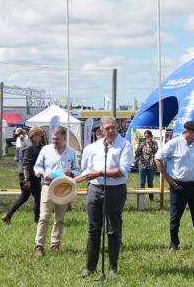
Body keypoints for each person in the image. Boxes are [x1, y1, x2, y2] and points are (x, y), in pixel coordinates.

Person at [76, 116, 133, 277]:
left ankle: (113, 268)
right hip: (94, 189)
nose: (111, 131)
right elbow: (86, 169)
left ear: (117, 128)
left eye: (113, 127)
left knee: (113, 230)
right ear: (101, 130)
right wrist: (76, 179)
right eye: (107, 128)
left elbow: (122, 171)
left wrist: (100, 172)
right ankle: (89, 268)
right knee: (93, 229)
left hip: (115, 191)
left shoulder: (125, 145)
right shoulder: (92, 147)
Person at [155, 120, 194, 253]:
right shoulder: (174, 143)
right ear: (188, 131)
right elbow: (158, 158)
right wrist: (167, 177)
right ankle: (174, 244)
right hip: (178, 186)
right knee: (175, 217)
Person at [33, 127, 80, 256]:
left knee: (59, 218)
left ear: (64, 139)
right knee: (44, 217)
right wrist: (44, 173)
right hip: (48, 186)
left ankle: (55, 244)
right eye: (53, 139)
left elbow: (78, 170)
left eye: (57, 139)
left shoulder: (71, 153)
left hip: (64, 188)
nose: (54, 141)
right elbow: (37, 167)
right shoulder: (45, 150)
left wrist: (71, 172)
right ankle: (39, 246)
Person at [2, 127, 45, 225]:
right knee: (38, 198)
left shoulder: (32, 144)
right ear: (34, 136)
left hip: (28, 175)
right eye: (40, 136)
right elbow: (26, 164)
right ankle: (37, 221)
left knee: (24, 197)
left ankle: (8, 215)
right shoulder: (29, 146)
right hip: (29, 176)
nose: (41, 138)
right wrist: (27, 179)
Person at [134, 130, 158, 201]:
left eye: (148, 136)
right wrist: (138, 146)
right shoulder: (142, 143)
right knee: (142, 182)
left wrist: (150, 143)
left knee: (150, 182)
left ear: (151, 136)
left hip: (151, 165)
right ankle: (141, 199)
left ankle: (151, 198)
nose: (146, 138)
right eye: (145, 137)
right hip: (142, 165)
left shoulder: (154, 143)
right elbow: (137, 153)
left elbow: (155, 151)